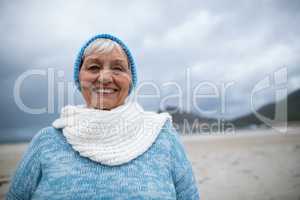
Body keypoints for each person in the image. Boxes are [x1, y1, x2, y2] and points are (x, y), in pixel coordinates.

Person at [7, 34, 200, 199]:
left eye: (118, 68)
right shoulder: (46, 142)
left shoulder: (163, 137)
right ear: (78, 78)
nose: (105, 78)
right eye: (93, 67)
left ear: (130, 80)